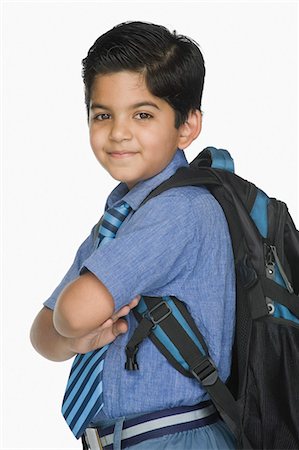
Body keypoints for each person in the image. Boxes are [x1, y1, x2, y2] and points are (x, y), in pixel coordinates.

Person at [30, 21, 236, 450]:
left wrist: (73, 327)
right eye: (102, 115)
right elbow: (43, 334)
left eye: (142, 114)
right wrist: (73, 334)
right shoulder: (123, 217)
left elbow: (72, 312)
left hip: (177, 436)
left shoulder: (181, 211)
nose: (118, 132)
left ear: (187, 126)